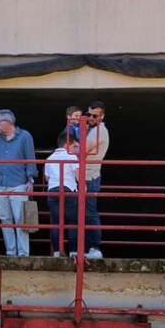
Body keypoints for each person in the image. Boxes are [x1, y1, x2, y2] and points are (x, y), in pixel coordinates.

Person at [0, 109, 37, 256]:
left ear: (8, 122)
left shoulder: (25, 136)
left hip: (18, 183)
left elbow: (30, 158)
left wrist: (30, 179)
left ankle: (23, 254)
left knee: (20, 218)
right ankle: (11, 252)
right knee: (5, 219)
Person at [45, 131, 84, 256]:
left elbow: (47, 178)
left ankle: (57, 252)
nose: (74, 149)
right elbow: (79, 176)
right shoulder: (71, 156)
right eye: (73, 146)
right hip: (68, 190)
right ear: (67, 145)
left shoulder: (49, 158)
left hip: (53, 191)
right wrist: (84, 187)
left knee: (56, 223)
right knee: (72, 222)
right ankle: (73, 252)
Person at [82, 100, 109, 259]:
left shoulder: (99, 131)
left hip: (89, 176)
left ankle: (94, 248)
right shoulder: (95, 130)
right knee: (87, 213)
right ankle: (89, 248)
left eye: (94, 115)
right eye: (89, 114)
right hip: (89, 175)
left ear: (102, 116)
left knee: (90, 213)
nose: (91, 117)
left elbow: (82, 150)